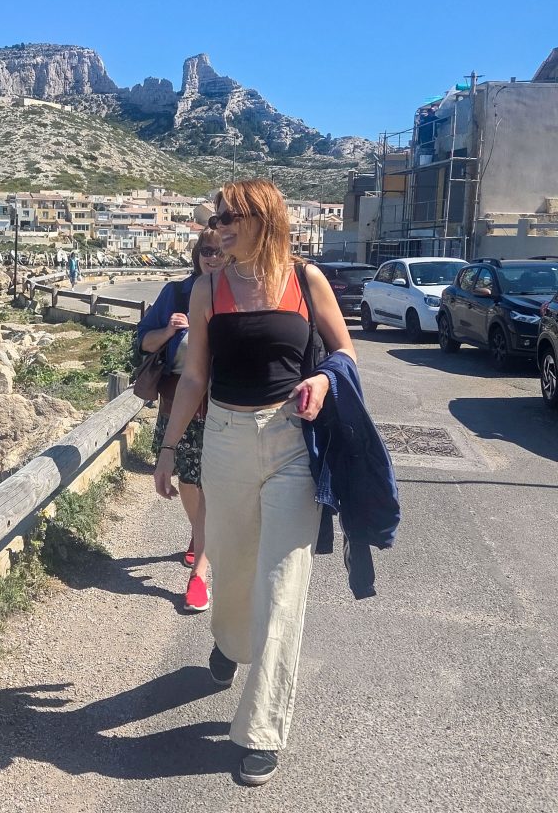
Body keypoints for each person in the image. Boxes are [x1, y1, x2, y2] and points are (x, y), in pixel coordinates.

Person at [153, 178, 355, 787]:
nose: (217, 228)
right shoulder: (208, 287)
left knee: (283, 583)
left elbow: (345, 353)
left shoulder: (306, 280)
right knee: (235, 563)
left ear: (263, 219)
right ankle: (231, 640)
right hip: (225, 440)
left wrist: (323, 380)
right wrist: (167, 450)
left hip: (292, 441)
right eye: (215, 219)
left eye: (229, 218)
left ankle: (262, 729)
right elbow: (194, 377)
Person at [136, 227, 223, 611]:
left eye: (220, 251)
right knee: (188, 479)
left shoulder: (237, 293)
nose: (213, 257)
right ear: (197, 254)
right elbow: (143, 341)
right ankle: (200, 533)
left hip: (225, 404)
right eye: (207, 250)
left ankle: (200, 572)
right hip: (180, 401)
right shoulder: (177, 293)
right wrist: (170, 329)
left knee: (213, 483)